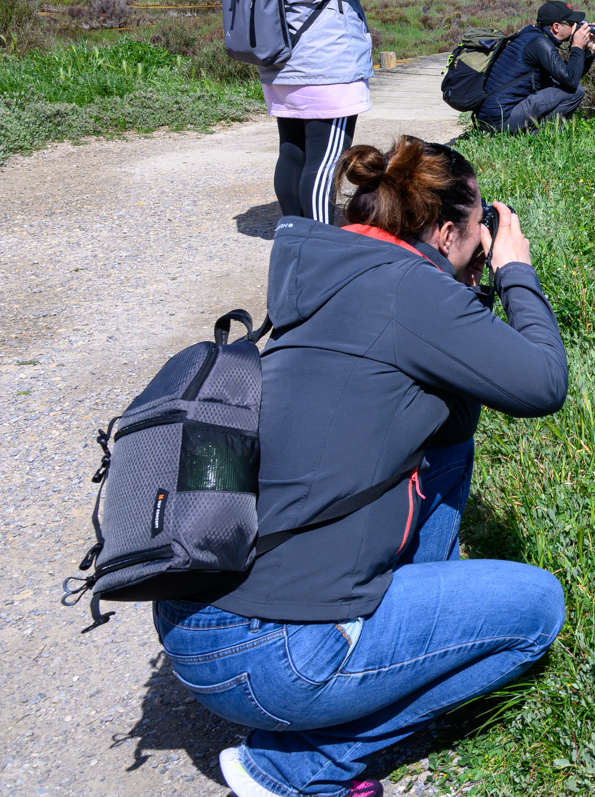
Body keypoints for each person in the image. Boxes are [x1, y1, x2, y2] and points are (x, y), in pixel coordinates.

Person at [153, 136, 569, 797]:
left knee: (447, 450)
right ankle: (293, 767)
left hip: (192, 628)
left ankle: (392, 638)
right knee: (539, 609)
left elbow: (452, 426)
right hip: (269, 656)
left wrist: (465, 285)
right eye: (477, 222)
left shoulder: (331, 271)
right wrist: (514, 269)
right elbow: (544, 382)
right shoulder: (412, 292)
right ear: (444, 227)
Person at [240, 0, 401, 224]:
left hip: (280, 63)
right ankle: (316, 240)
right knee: (325, 160)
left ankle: (293, 230)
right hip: (324, 69)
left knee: (293, 152)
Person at [475, 0, 595, 132]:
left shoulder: (535, 36)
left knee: (566, 86)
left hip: (491, 118)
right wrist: (577, 47)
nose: (576, 27)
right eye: (572, 24)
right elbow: (571, 81)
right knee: (576, 92)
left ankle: (535, 130)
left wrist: (589, 52)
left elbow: (568, 76)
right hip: (500, 120)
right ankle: (544, 134)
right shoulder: (540, 43)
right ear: (556, 27)